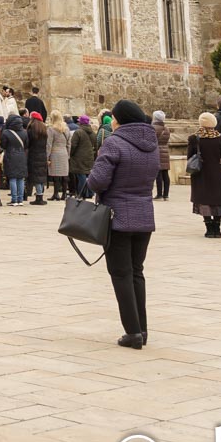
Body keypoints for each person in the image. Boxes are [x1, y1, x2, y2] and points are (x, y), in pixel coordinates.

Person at [87, 99, 158, 349]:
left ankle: (132, 332)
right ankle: (142, 328)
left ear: (120, 119)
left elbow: (98, 181)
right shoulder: (152, 144)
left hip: (117, 218)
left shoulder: (114, 143)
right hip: (144, 216)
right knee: (136, 272)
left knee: (121, 274)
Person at [186, 112, 221, 237]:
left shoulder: (194, 139)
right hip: (218, 172)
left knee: (204, 200)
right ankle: (217, 228)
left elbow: (190, 156)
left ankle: (209, 228)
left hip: (201, 174)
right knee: (217, 200)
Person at [0, 114, 27, 206]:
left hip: (10, 155)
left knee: (12, 178)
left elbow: (3, 145)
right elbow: (27, 145)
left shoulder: (6, 133)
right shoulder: (24, 132)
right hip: (22, 155)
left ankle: (14, 199)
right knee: (20, 178)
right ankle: (20, 199)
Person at [68, 116, 98, 199]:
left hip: (79, 157)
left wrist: (71, 154)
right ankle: (90, 193)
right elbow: (96, 146)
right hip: (89, 157)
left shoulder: (78, 132)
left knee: (81, 176)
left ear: (80, 122)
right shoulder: (93, 133)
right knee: (88, 175)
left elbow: (73, 145)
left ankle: (82, 193)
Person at [26, 110, 50, 205]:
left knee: (36, 176)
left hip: (33, 154)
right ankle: (40, 195)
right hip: (42, 154)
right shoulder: (44, 129)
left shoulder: (31, 128)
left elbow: (28, 142)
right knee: (40, 176)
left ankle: (39, 197)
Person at [47, 110, 70, 200]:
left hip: (55, 152)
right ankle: (64, 194)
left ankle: (56, 193)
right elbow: (69, 143)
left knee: (56, 174)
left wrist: (47, 156)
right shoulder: (66, 129)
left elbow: (49, 144)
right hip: (64, 152)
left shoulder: (51, 129)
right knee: (64, 174)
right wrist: (68, 154)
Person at [151, 112, 172, 201]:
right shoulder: (166, 128)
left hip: (156, 151)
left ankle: (159, 194)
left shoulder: (153, 128)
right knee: (165, 174)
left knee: (158, 174)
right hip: (165, 151)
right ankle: (166, 194)